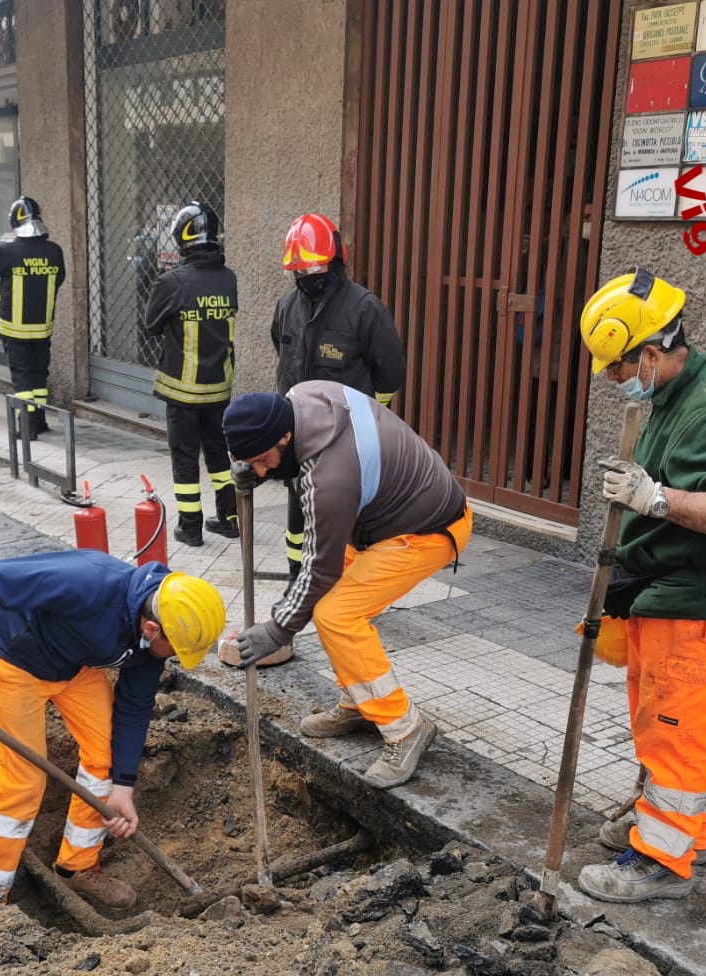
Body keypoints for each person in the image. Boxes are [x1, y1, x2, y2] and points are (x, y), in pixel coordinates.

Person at [574, 268, 706, 904]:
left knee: (677, 731)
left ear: (652, 354)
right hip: (662, 596)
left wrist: (655, 499)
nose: (610, 378)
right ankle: (661, 821)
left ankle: (661, 860)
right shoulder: (672, 396)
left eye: (616, 365)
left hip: (693, 605)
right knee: (658, 727)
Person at [0, 550, 225, 911]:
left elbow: (134, 706)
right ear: (151, 629)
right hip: (16, 661)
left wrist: (123, 788)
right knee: (24, 780)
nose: (172, 657)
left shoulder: (151, 639)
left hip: (74, 668)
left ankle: (77, 866)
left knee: (106, 760)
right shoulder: (87, 582)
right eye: (173, 650)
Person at [223, 384, 471, 789]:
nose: (263, 471)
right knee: (331, 607)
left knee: (337, 613)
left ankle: (404, 727)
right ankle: (360, 703)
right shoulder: (299, 400)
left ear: (285, 438)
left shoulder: (328, 477)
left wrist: (277, 630)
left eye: (264, 461)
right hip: (384, 518)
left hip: (427, 528)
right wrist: (245, 466)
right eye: (253, 463)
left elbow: (319, 569)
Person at [269, 213, 406, 640]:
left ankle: (353, 597)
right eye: (298, 272)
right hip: (299, 438)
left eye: (313, 270)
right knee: (299, 517)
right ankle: (299, 581)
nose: (306, 279)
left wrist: (370, 427)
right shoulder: (287, 307)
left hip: (349, 444)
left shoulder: (364, 309)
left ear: (334, 261)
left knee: (351, 523)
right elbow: (282, 352)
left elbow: (390, 375)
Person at [145, 200, 239, 547]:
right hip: (220, 389)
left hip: (183, 392)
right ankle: (229, 518)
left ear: (183, 239)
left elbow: (150, 326)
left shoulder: (172, 282)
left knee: (185, 459)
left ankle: (190, 526)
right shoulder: (229, 279)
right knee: (218, 454)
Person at [0, 196, 66, 435]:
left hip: (15, 329)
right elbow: (59, 279)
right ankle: (39, 420)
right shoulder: (54, 251)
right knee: (39, 375)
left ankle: (28, 427)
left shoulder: (7, 252)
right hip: (43, 327)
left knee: (22, 379)